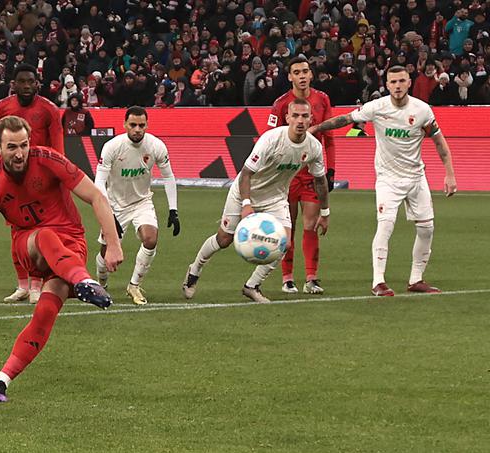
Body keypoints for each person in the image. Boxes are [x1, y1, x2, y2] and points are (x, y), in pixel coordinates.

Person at [0, 115, 123, 402]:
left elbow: (96, 196)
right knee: (44, 236)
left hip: (71, 246)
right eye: (11, 147)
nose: (19, 153)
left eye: (24, 145)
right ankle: (85, 282)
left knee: (45, 312)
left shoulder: (49, 160)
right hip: (29, 245)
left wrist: (114, 244)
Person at [309, 65, 457, 296]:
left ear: (409, 82)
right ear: (387, 85)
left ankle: (416, 279)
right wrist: (317, 127)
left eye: (401, 81)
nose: (397, 86)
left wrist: (449, 174)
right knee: (386, 225)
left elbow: (439, 142)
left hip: (416, 177)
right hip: (388, 179)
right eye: (393, 82)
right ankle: (378, 281)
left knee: (427, 228)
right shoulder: (376, 108)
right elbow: (346, 119)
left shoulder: (423, 111)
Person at [182, 99, 330, 303]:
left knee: (284, 243)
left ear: (311, 119)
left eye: (305, 116)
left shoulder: (313, 147)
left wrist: (325, 212)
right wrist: (246, 204)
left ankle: (252, 286)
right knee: (224, 239)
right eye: (295, 115)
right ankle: (195, 269)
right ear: (287, 118)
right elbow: (245, 174)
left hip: (276, 198)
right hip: (245, 192)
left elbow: (320, 181)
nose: (300, 120)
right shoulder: (271, 139)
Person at [0, 64, 64, 305]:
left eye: (30, 82)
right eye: (21, 82)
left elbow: (58, 149)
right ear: (13, 84)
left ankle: (37, 285)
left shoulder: (49, 110)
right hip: (11, 180)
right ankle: (22, 285)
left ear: (37, 84)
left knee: (37, 234)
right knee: (16, 233)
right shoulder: (2, 108)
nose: (26, 86)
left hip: (40, 181)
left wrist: (57, 180)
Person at [94, 106, 180, 305]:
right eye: (133, 125)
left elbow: (168, 176)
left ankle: (134, 285)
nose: (137, 129)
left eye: (141, 125)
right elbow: (99, 181)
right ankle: (101, 283)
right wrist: (108, 212)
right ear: (125, 125)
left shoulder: (156, 146)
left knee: (150, 239)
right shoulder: (112, 147)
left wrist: (173, 210)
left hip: (142, 202)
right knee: (106, 254)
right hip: (115, 205)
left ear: (147, 125)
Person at [266, 56, 335, 295]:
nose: (302, 76)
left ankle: (311, 278)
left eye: (306, 71)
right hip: (287, 176)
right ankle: (287, 278)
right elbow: (271, 141)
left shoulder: (323, 99)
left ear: (311, 74)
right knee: (289, 227)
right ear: (290, 76)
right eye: (297, 72)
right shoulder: (281, 103)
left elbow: (329, 138)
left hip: (312, 175)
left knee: (310, 226)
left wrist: (331, 170)